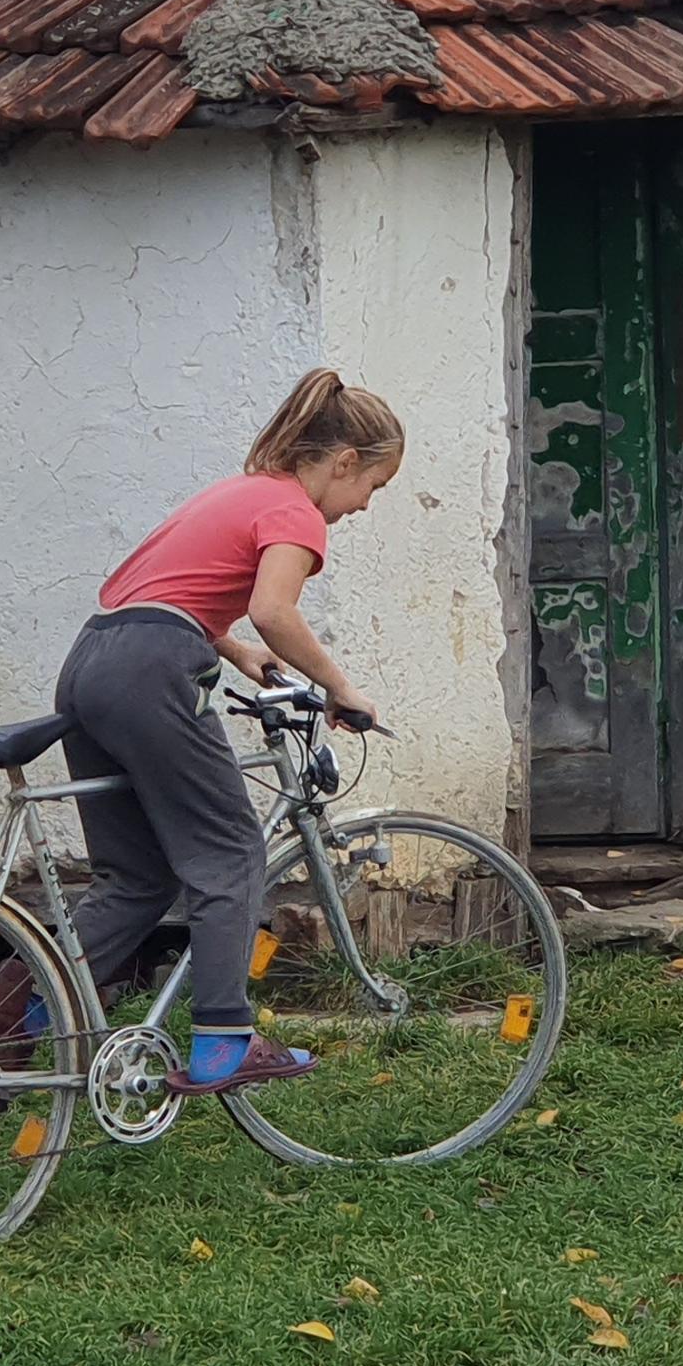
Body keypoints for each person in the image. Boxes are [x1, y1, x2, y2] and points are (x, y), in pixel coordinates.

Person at [55, 370, 403, 1093]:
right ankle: (223, 1040)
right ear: (343, 463)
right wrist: (341, 688)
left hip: (92, 661)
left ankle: (12, 1020)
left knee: (137, 876)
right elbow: (274, 609)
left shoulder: (239, 490)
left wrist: (234, 649)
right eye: (372, 486)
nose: (365, 506)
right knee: (230, 850)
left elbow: (151, 592)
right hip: (151, 670)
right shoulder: (297, 512)